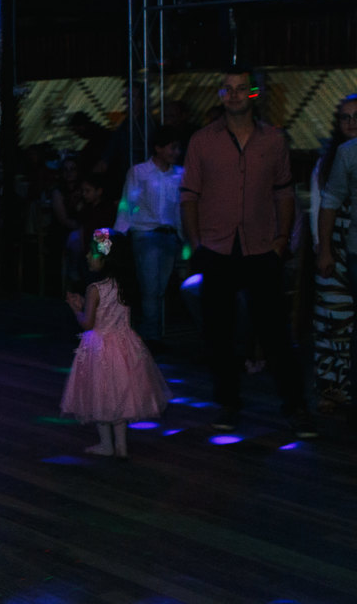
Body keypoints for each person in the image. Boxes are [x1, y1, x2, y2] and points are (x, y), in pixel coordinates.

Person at [180, 67, 316, 437]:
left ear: (252, 94)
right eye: (229, 89)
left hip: (260, 248)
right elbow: (189, 196)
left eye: (242, 89)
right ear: (220, 95)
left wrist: (281, 239)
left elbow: (284, 193)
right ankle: (228, 403)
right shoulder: (202, 141)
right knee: (219, 335)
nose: (236, 95)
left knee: (274, 333)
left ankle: (296, 406)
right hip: (217, 247)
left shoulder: (273, 140)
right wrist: (196, 245)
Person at [61, 229, 171, 458]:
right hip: (125, 345)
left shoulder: (94, 289)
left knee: (100, 395)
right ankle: (121, 445)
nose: (87, 258)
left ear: (105, 258)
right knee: (120, 395)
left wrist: (76, 309)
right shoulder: (124, 286)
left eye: (92, 254)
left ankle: (106, 444)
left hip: (100, 348)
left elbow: (88, 324)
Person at [113, 125, 184, 346]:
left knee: (158, 288)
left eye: (177, 148)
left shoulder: (180, 175)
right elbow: (128, 203)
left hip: (170, 235)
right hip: (146, 234)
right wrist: (119, 232)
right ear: (159, 148)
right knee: (151, 288)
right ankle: (151, 337)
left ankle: (150, 333)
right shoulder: (140, 172)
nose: (176, 152)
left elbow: (181, 209)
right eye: (172, 148)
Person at [314, 94, 357, 419]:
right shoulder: (333, 158)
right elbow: (322, 205)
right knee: (332, 323)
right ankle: (331, 389)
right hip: (333, 248)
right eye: (345, 118)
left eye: (355, 117)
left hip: (348, 245)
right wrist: (323, 248)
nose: (351, 123)